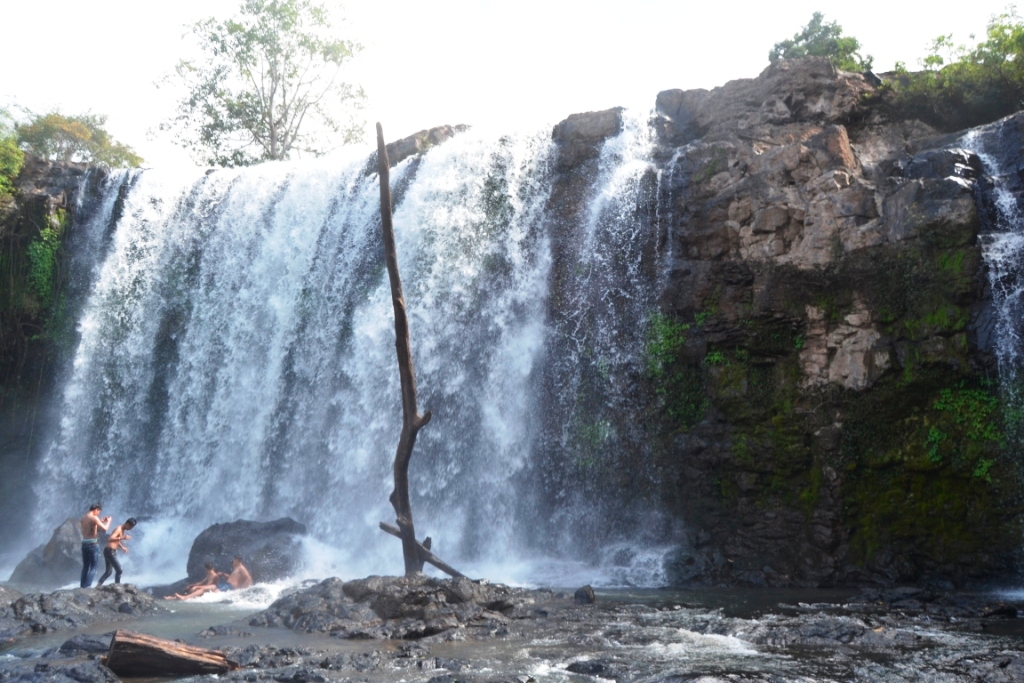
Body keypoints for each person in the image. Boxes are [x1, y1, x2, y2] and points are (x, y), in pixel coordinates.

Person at [165, 556, 253, 600]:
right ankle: (182, 597)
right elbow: (234, 578)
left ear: (237, 560)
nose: (232, 561)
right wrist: (224, 574)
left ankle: (184, 598)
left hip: (229, 586)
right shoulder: (236, 568)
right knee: (209, 589)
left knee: (211, 590)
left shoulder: (241, 568)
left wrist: (243, 589)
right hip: (226, 584)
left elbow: (248, 578)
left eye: (234, 560)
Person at [97, 517, 136, 586]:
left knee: (108, 572)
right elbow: (110, 538)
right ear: (127, 524)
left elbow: (116, 540)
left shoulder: (122, 529)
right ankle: (117, 586)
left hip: (109, 551)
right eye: (130, 526)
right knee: (119, 570)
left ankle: (98, 585)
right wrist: (123, 537)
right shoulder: (119, 529)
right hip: (110, 551)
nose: (130, 528)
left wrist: (122, 547)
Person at [80, 504, 111, 588]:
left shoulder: (83, 518)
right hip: (92, 544)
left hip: (84, 543)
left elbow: (92, 527)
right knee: (94, 567)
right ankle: (88, 586)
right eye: (98, 512)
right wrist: (108, 521)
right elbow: (105, 529)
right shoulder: (94, 518)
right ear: (95, 510)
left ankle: (82, 586)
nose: (98, 514)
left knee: (85, 566)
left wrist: (100, 521)